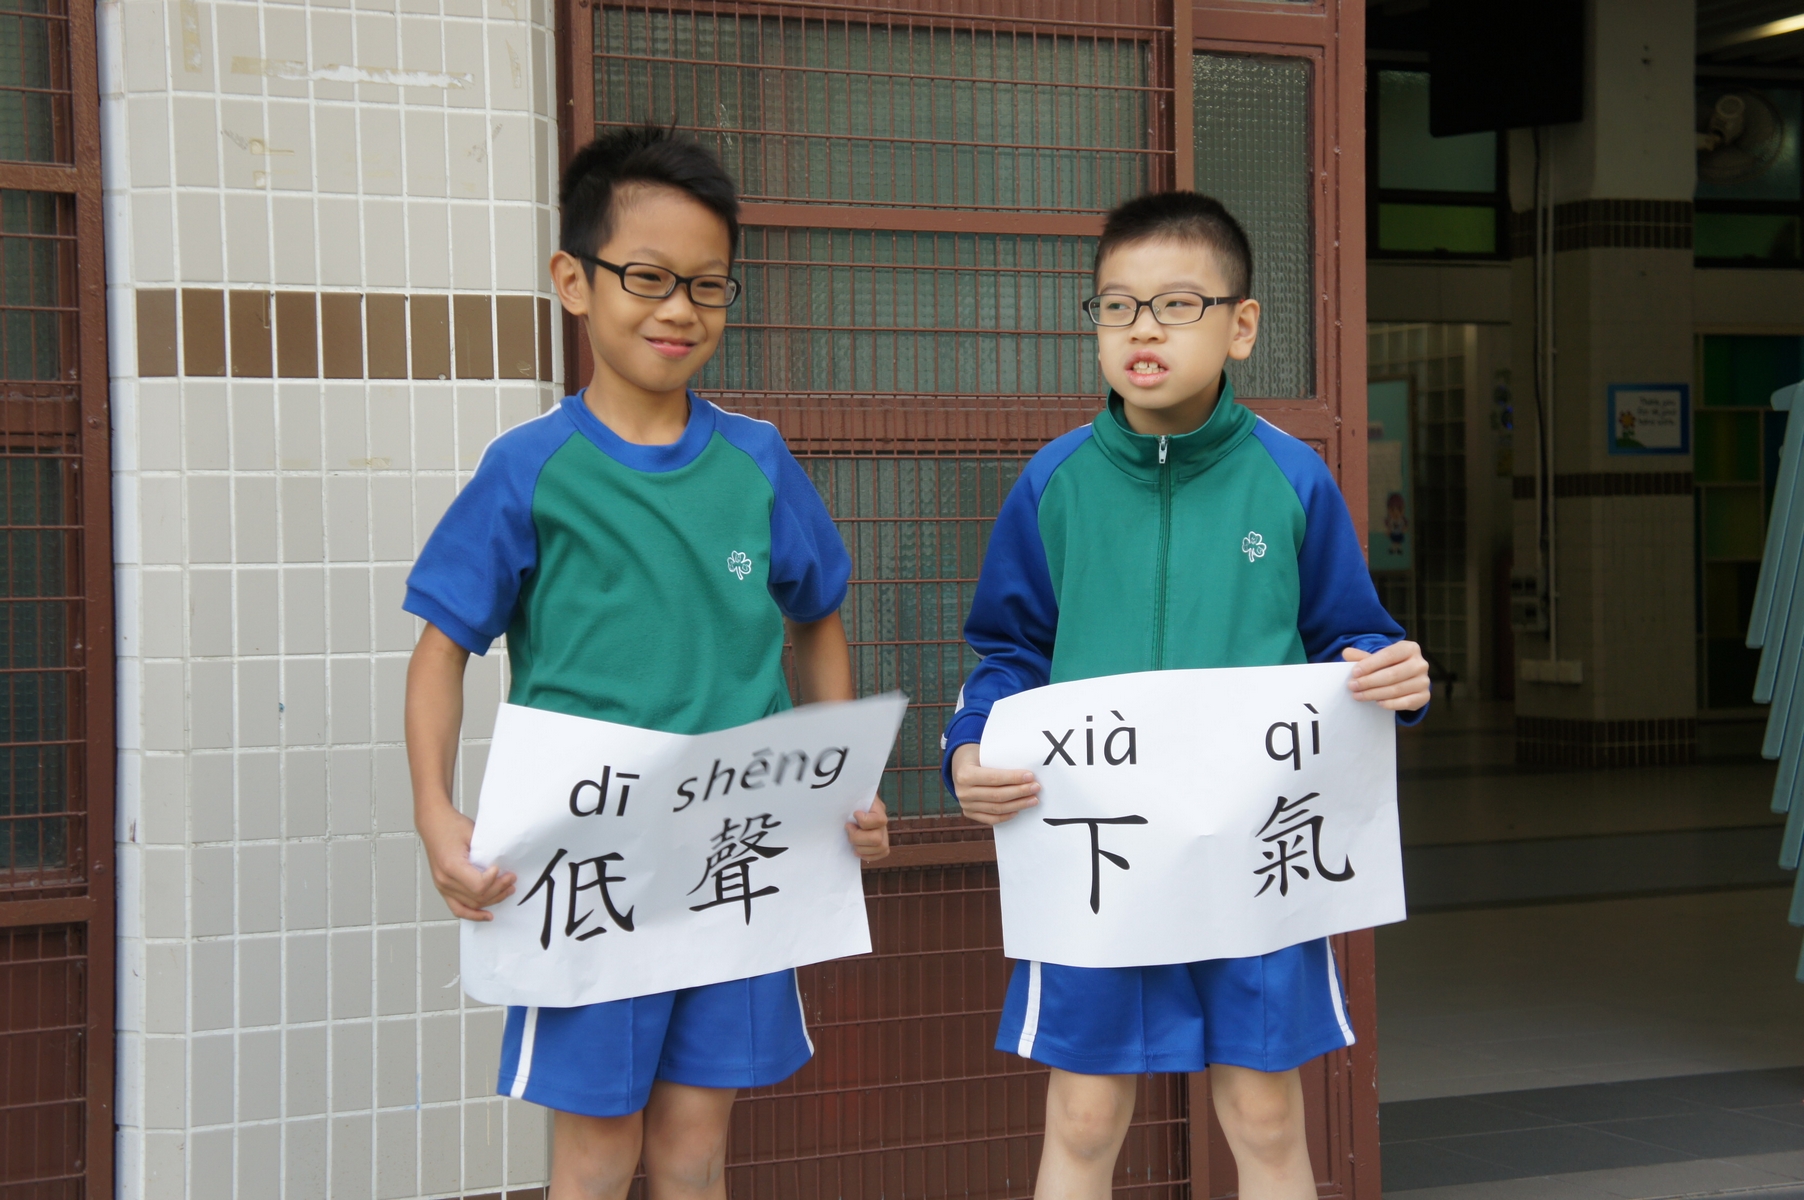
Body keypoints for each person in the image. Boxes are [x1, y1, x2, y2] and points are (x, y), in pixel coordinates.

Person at [403, 125, 890, 1200]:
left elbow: (816, 618)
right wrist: (436, 814)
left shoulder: (757, 459)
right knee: (596, 1152)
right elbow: (441, 650)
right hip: (590, 857)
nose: (679, 309)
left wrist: (841, 774)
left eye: (708, 285)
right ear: (573, 281)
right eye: (648, 278)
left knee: (692, 1149)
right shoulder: (530, 468)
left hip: (731, 849)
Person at [941, 191, 1430, 1200]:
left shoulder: (1291, 479)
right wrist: (968, 747)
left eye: (1175, 305)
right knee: (1083, 1118)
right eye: (1117, 307)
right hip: (1098, 853)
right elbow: (1006, 649)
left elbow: (1351, 636)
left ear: (1240, 326)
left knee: (1264, 1113)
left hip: (1251, 851)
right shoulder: (1054, 483)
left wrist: (1395, 672)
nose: (1142, 330)